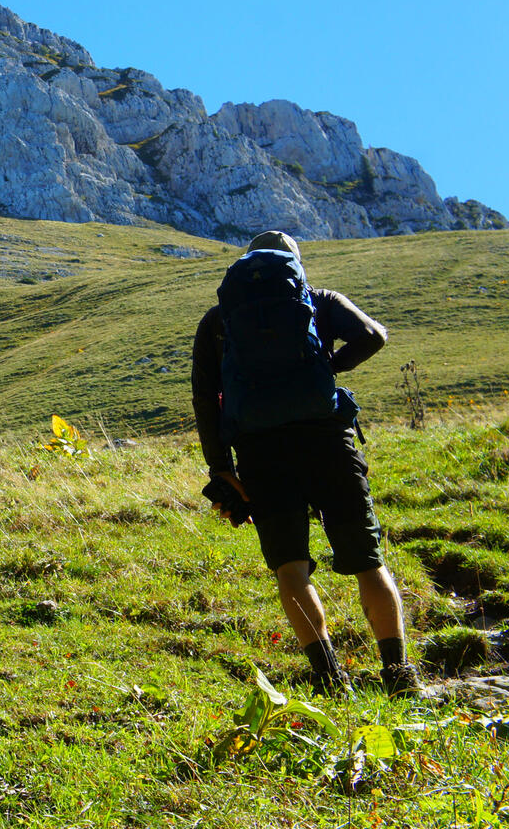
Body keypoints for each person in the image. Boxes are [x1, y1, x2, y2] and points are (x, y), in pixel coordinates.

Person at [191, 230, 423, 697]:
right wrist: (324, 370)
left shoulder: (218, 320)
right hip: (327, 440)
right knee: (367, 561)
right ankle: (399, 675)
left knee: (290, 569)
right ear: (293, 264)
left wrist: (220, 467)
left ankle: (329, 678)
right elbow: (374, 336)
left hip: (260, 452)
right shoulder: (318, 299)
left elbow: (205, 400)